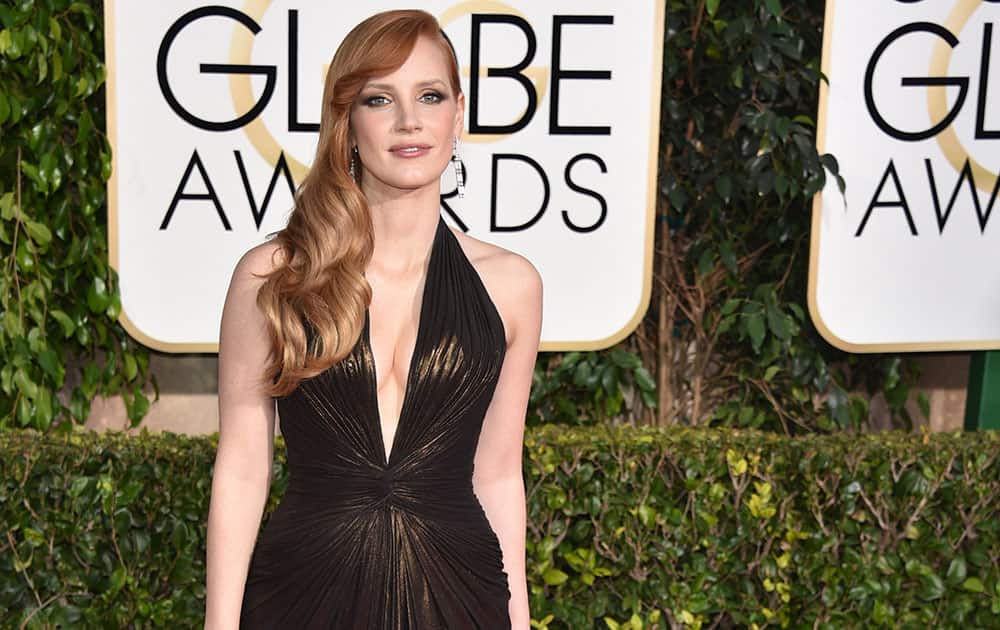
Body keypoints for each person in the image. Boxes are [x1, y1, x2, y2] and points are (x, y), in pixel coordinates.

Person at [203, 8, 542, 630]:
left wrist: (518, 623)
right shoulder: (273, 276)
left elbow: (497, 473)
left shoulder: (512, 285)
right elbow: (245, 467)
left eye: (430, 96)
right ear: (347, 120)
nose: (410, 121)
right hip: (304, 594)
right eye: (380, 98)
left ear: (458, 114)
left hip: (460, 595)